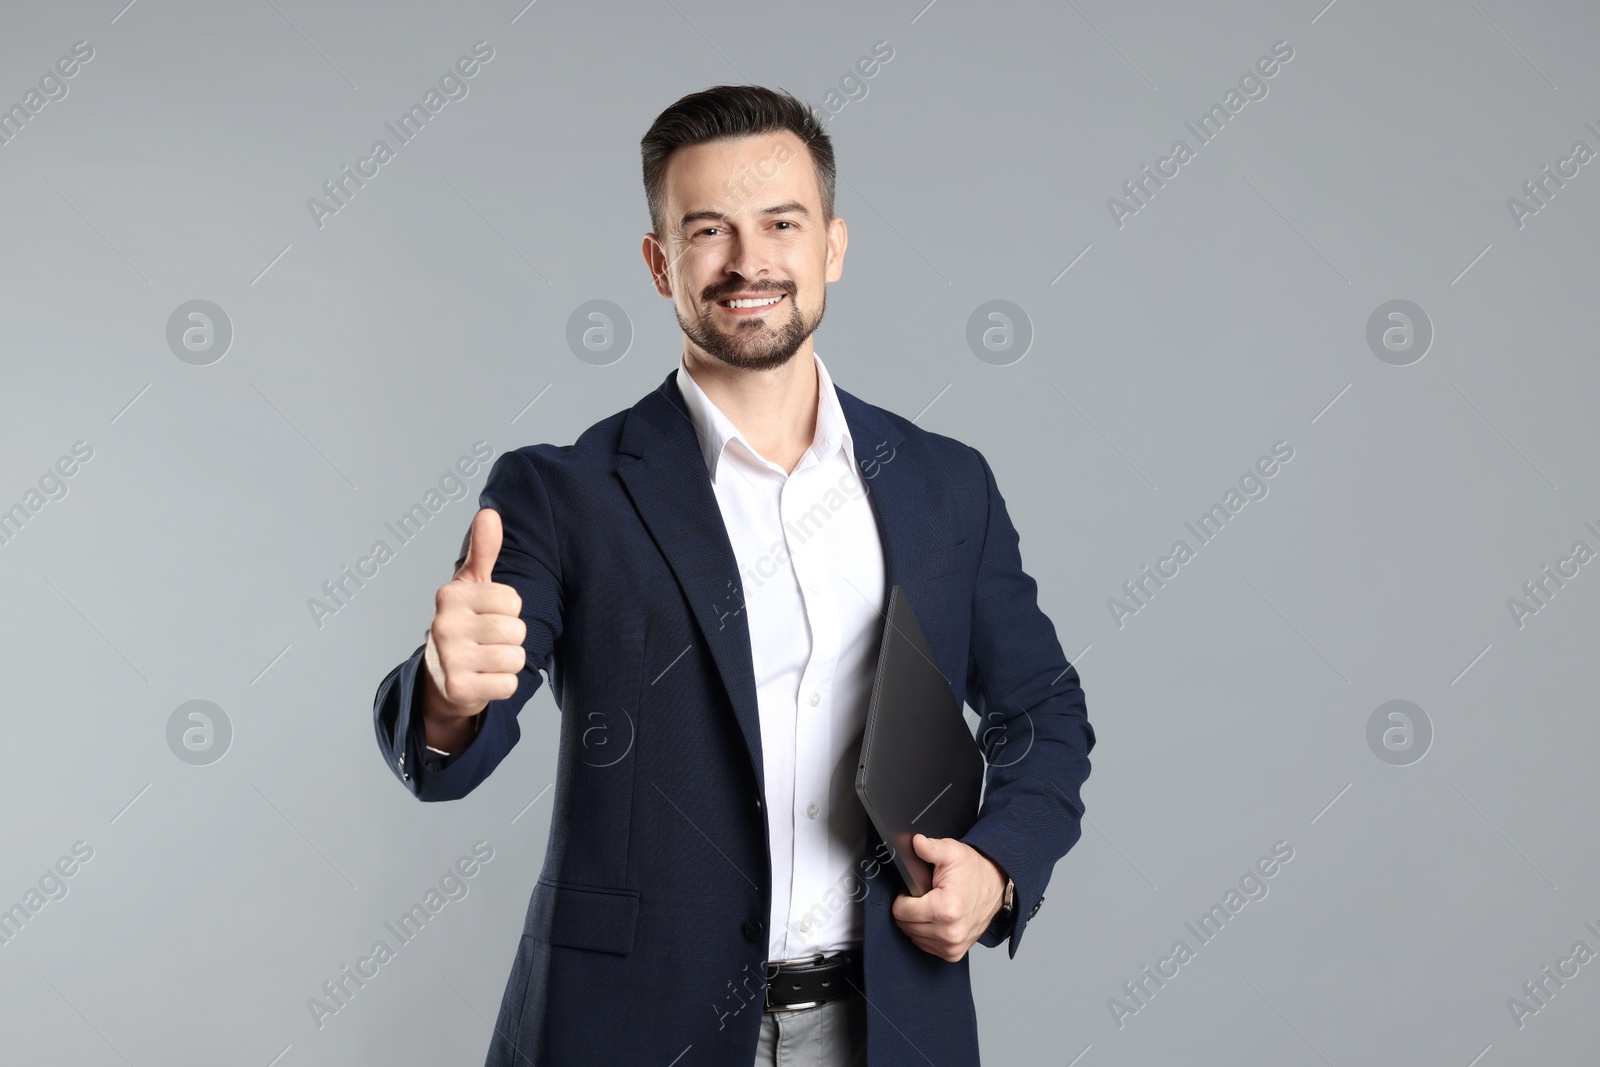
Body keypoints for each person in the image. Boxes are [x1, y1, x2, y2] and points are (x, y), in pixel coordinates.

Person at [372, 84, 1094, 1067]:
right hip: (627, 1025)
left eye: (781, 224)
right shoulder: (562, 489)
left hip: (887, 1023)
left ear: (832, 245)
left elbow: (1044, 708)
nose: (749, 261)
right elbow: (456, 734)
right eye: (708, 228)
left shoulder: (941, 483)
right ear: (659, 261)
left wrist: (998, 863)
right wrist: (450, 692)